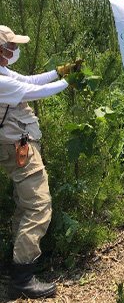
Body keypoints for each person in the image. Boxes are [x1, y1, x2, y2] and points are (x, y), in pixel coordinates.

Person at [0, 25, 82, 299]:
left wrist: (60, 72)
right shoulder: (1, 81)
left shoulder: (3, 73)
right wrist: (70, 82)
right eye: (10, 47)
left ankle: (16, 265)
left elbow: (30, 80)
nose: (14, 51)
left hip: (13, 148)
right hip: (18, 150)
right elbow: (34, 92)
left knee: (25, 206)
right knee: (38, 206)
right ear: (0, 51)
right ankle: (22, 277)